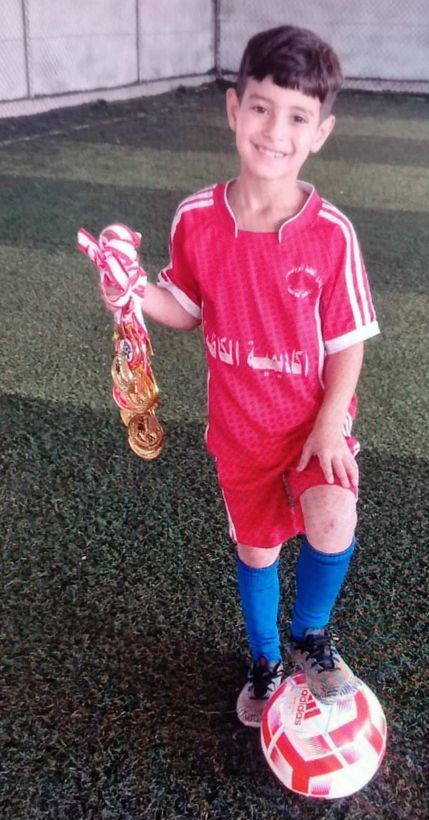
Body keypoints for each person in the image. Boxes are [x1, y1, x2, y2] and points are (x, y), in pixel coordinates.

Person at [103, 25, 379, 727]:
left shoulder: (332, 233)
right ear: (234, 109)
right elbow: (186, 308)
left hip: (314, 425)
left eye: (297, 117)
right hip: (242, 433)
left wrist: (330, 424)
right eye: (261, 108)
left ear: (321, 132)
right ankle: (265, 660)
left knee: (333, 517)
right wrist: (134, 292)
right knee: (257, 547)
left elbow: (348, 342)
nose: (275, 131)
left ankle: (310, 634)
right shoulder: (197, 219)